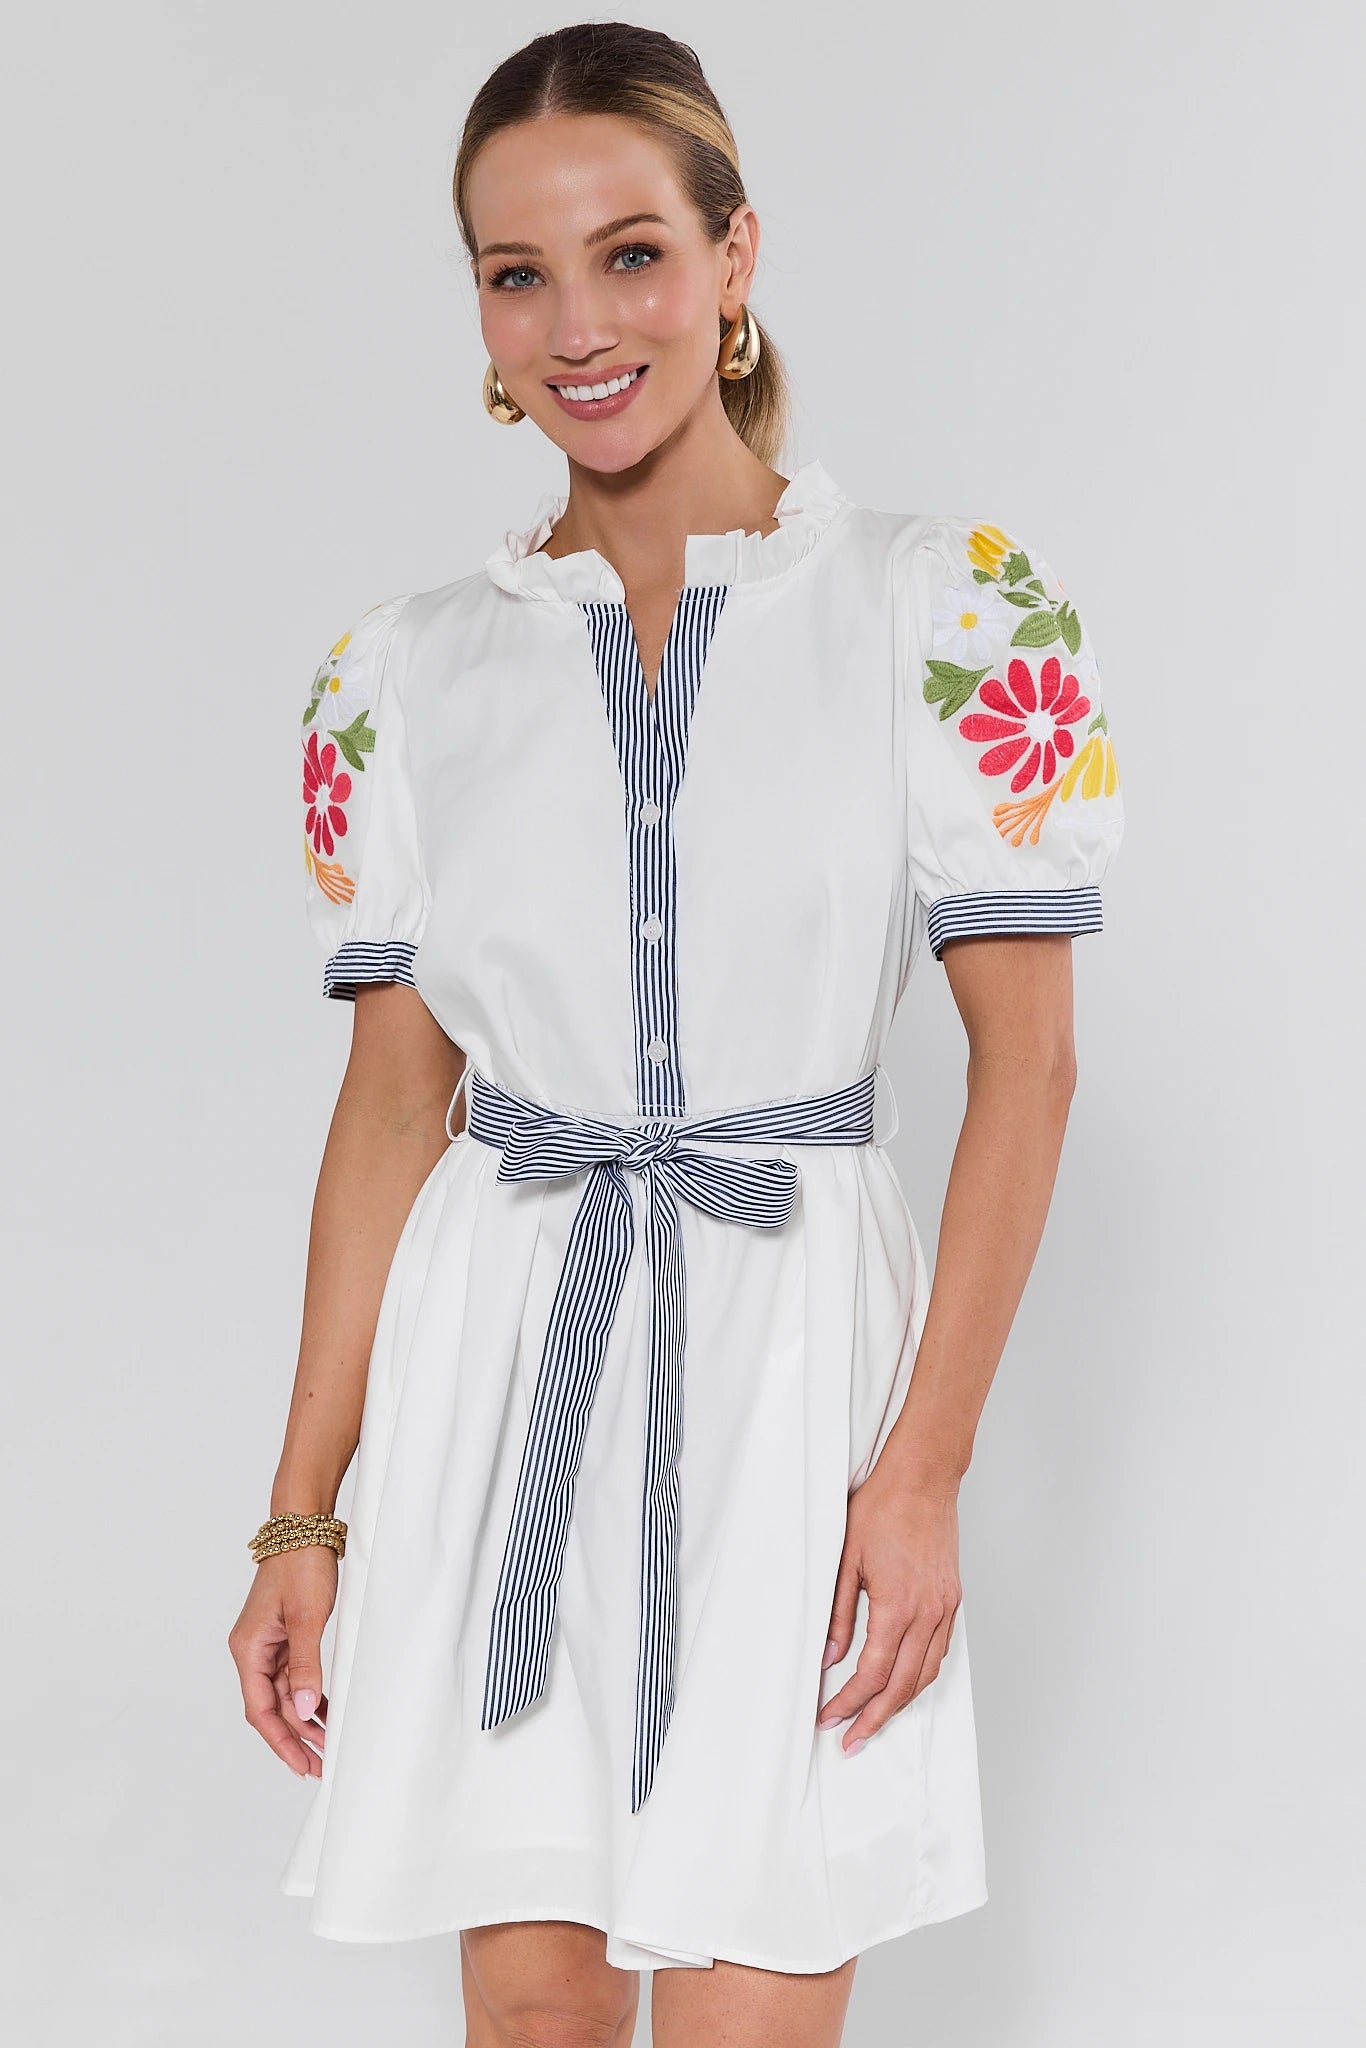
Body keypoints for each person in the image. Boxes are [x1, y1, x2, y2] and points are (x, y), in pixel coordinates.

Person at [227, 21, 1125, 2047]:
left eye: (630, 252)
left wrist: (919, 1476)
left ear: (733, 260)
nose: (577, 323)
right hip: (503, 1363)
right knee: (530, 2022)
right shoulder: (404, 674)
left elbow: (1026, 1067)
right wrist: (304, 1510)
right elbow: (390, 1113)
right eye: (516, 272)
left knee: (746, 2015)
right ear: (476, 309)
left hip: (803, 1376)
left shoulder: (946, 608)